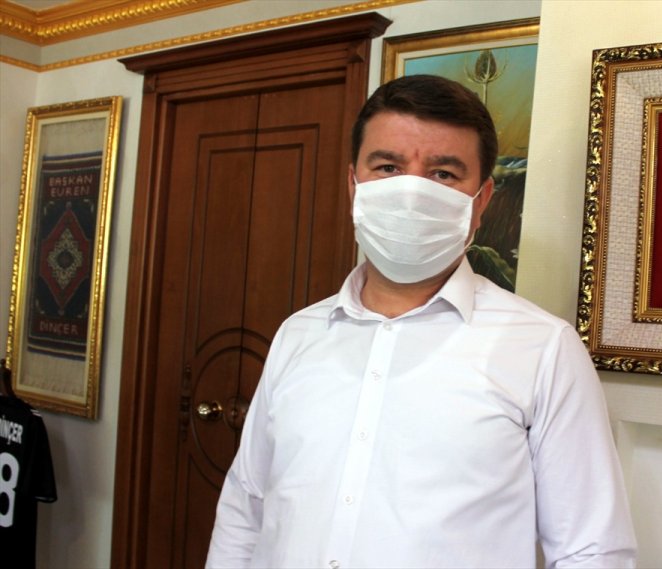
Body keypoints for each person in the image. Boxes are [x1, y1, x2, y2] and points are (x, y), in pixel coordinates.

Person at [206, 74, 636, 568]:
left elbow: (591, 549)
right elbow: (247, 505)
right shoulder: (299, 334)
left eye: (443, 174)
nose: (410, 192)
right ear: (353, 185)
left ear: (481, 201)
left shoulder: (543, 348)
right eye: (388, 167)